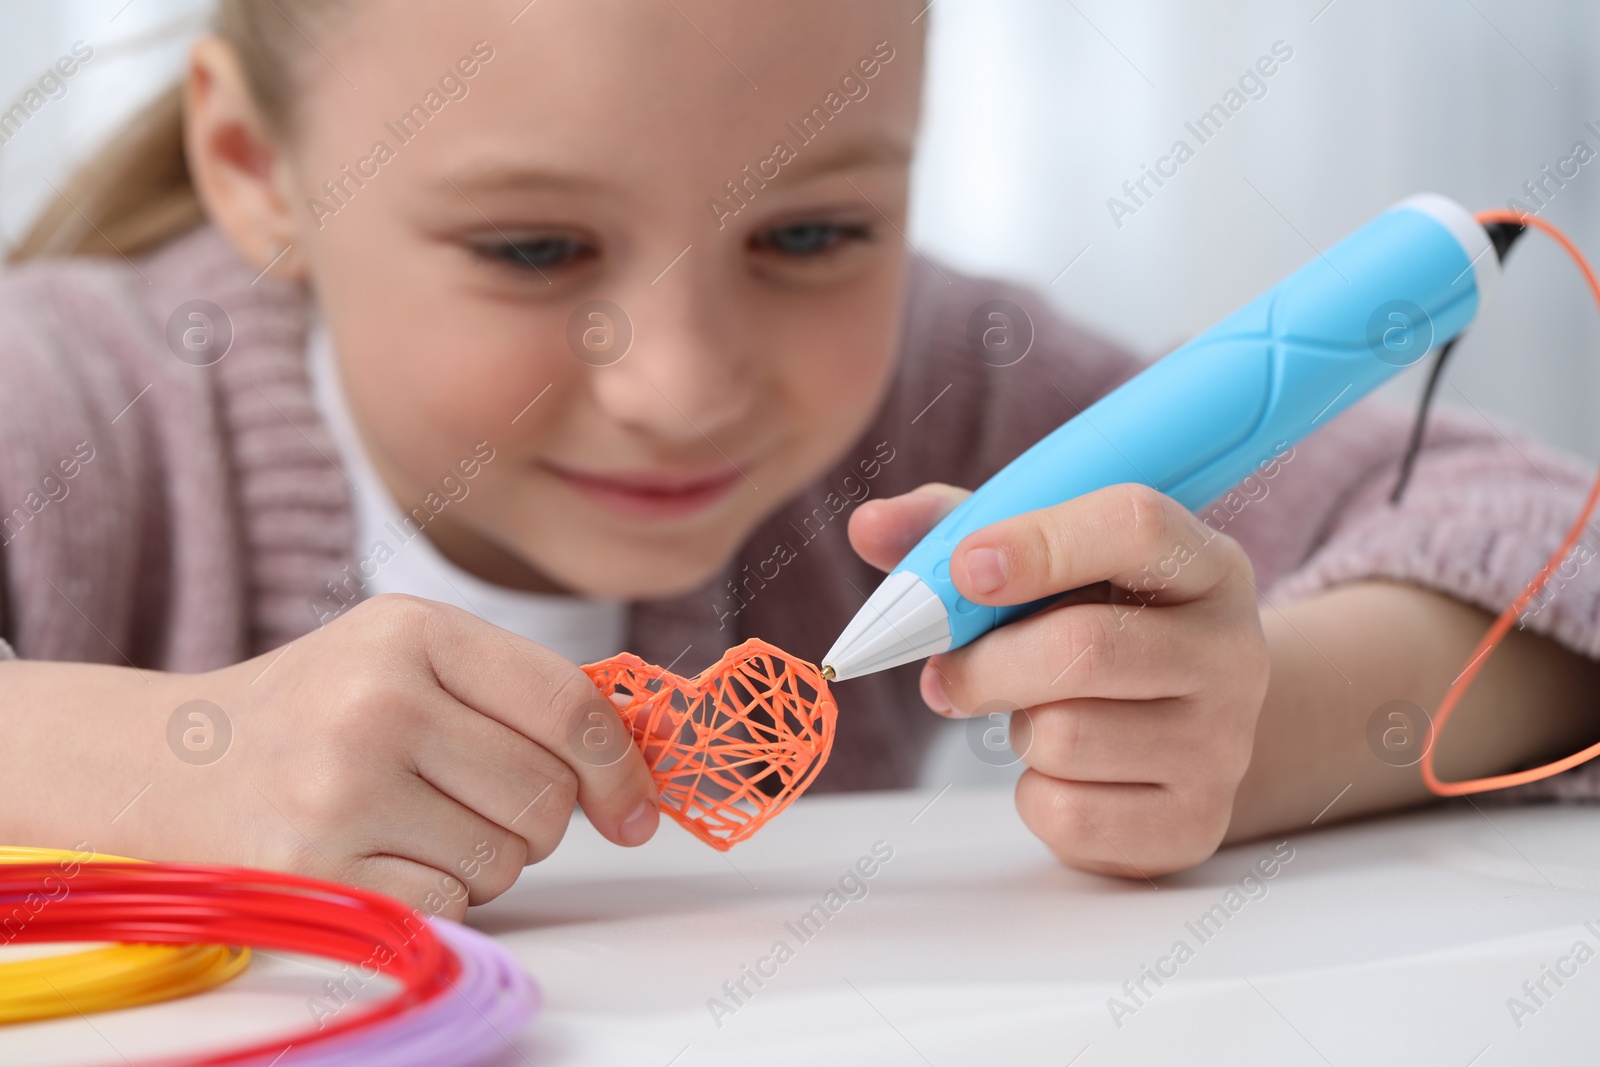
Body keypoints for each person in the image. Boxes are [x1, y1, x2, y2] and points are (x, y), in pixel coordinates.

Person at [2, 0, 1596, 919]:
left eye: (815, 231)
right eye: (537, 247)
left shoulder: (953, 386)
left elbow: (1557, 548)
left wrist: (1268, 720)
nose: (685, 387)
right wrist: (169, 756)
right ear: (249, 165)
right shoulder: (78, 401)